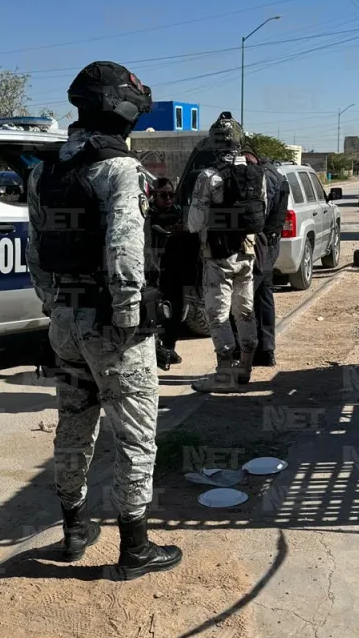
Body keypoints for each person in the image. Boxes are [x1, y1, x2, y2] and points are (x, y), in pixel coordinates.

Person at [27, 60, 182, 580]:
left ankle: (73, 529)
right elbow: (124, 252)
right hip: (110, 326)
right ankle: (135, 548)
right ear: (122, 111)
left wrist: (54, 307)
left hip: (65, 324)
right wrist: (127, 315)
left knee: (74, 427)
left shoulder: (43, 170)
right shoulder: (119, 170)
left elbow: (37, 254)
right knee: (135, 435)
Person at [186, 112, 266, 392]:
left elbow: (195, 224)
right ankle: (245, 369)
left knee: (217, 315)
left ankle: (223, 376)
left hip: (218, 256)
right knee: (245, 311)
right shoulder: (258, 174)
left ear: (213, 142)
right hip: (248, 252)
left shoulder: (209, 176)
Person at [245, 148, 289, 367]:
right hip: (270, 243)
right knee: (263, 296)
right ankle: (266, 350)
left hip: (261, 244)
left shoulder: (264, 176)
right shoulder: (276, 174)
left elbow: (259, 213)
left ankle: (246, 352)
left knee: (245, 298)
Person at [146, 177, 189, 369]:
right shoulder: (148, 215)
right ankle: (155, 349)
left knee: (176, 311)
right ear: (154, 196)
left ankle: (169, 347)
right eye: (164, 195)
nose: (168, 199)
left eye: (171, 195)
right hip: (154, 270)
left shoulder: (179, 213)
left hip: (176, 269)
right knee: (154, 311)